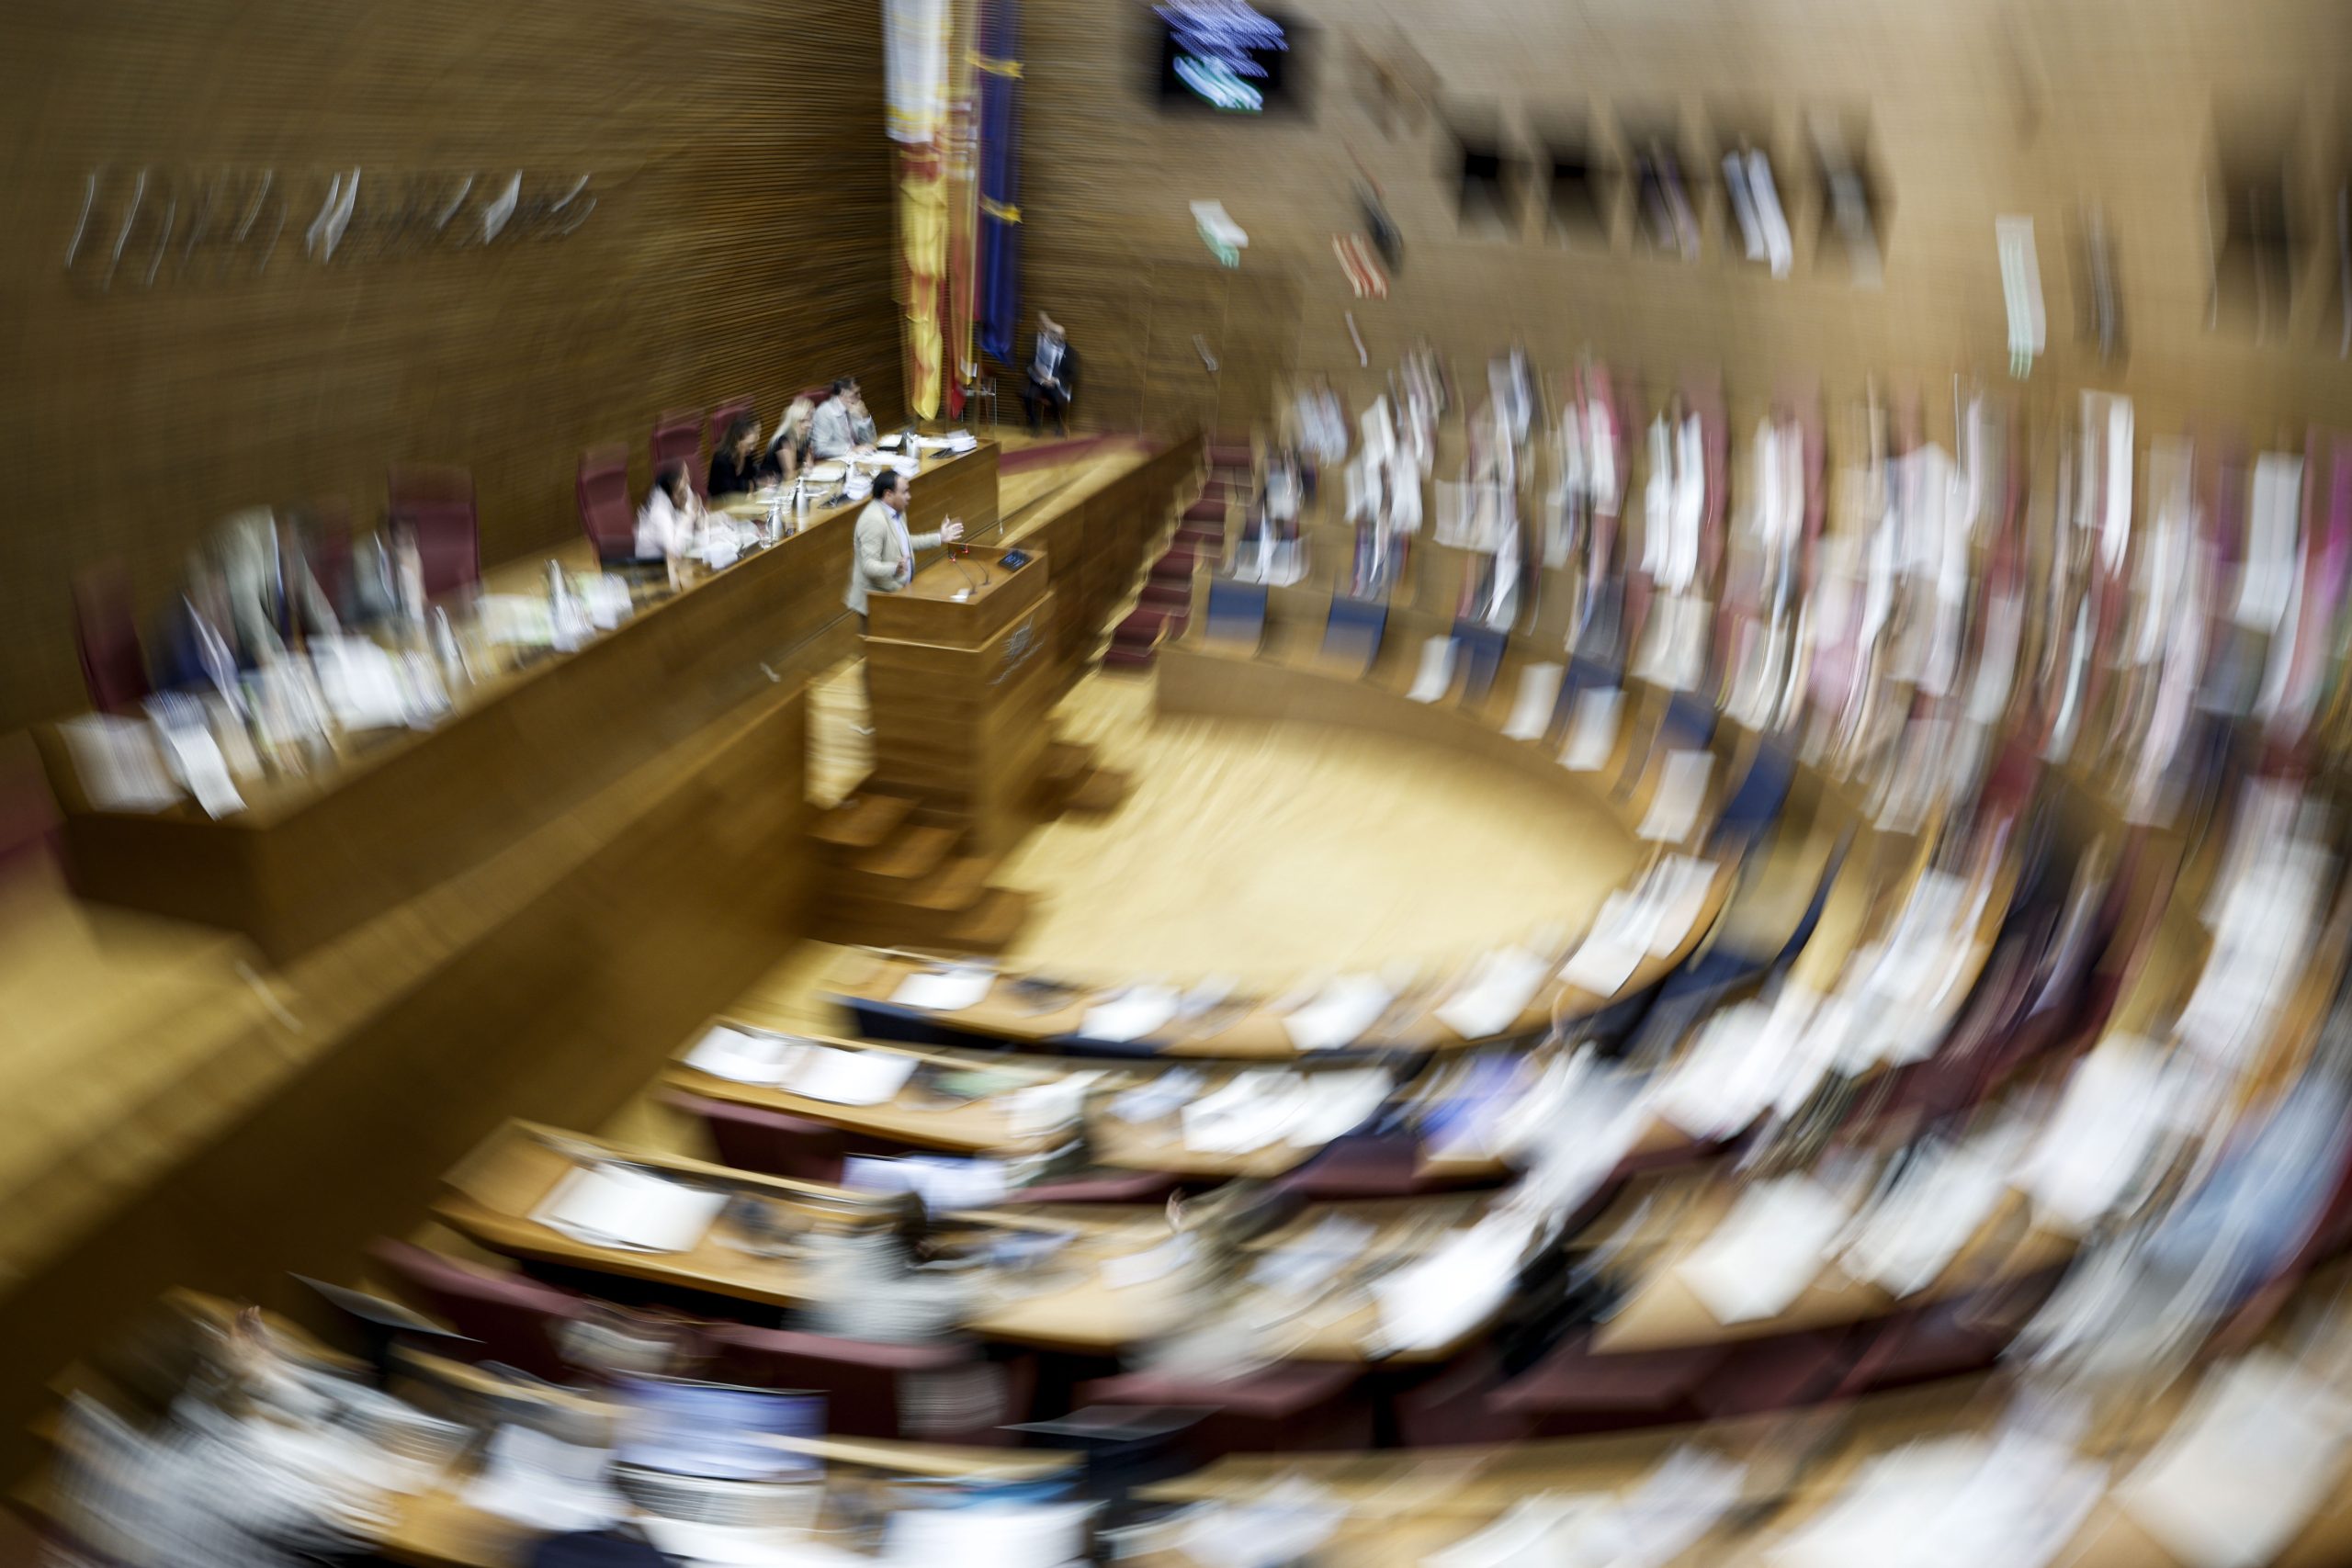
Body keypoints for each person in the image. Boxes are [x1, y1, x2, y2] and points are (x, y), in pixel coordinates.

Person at [845, 468, 962, 618]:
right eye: (904, 492)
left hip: (897, 594)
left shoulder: (897, 511)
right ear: (888, 494)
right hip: (877, 604)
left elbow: (904, 542)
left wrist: (940, 537)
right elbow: (869, 565)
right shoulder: (873, 521)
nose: (909, 496)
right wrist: (895, 568)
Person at [1021, 312, 1078, 434]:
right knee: (1027, 395)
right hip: (1039, 383)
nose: (1058, 337)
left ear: (1065, 336)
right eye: (1055, 334)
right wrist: (1042, 379)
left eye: (1061, 335)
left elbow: (1073, 375)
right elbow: (1029, 365)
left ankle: (1059, 425)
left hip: (1056, 385)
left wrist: (1056, 380)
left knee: (1057, 398)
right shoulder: (1043, 346)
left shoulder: (1070, 352)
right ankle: (1035, 424)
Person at [635, 460, 701, 564]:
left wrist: (695, 519)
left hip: (674, 561)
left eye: (687, 473)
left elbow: (698, 519)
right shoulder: (658, 512)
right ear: (673, 489)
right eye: (684, 475)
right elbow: (674, 553)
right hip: (653, 567)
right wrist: (688, 519)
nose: (688, 479)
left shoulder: (682, 489)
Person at [707, 412, 776, 498]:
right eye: (749, 445)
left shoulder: (748, 455)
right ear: (736, 441)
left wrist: (761, 482)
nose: (752, 448)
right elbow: (730, 491)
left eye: (753, 444)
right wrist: (751, 485)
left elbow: (753, 478)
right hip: (720, 503)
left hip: (741, 502)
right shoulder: (721, 459)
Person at [810, 378, 877, 459]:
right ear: (843, 392)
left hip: (860, 457)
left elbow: (870, 440)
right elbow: (820, 448)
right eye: (856, 393)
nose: (860, 396)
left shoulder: (854, 407)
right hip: (838, 461)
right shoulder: (824, 412)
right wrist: (850, 449)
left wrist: (864, 418)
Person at [768, 396, 817, 479]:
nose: (809, 425)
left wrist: (808, 465)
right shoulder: (783, 441)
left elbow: (809, 465)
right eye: (803, 421)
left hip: (793, 482)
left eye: (810, 420)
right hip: (773, 483)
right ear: (794, 421)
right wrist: (802, 470)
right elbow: (789, 475)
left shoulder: (804, 438)